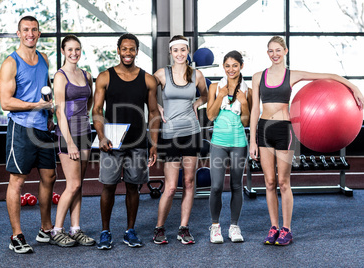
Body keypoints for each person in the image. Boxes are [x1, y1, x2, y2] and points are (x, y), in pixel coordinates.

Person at [249, 36, 364, 246]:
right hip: (265, 130)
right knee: (269, 182)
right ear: (267, 53)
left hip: (284, 129)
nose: (274, 54)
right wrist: (252, 141)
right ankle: (273, 227)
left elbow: (329, 75)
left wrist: (353, 87)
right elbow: (255, 108)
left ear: (285, 52)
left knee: (283, 183)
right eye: (270, 51)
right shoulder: (258, 76)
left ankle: (287, 229)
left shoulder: (292, 75)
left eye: (278, 50)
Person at [92, 33, 160, 249]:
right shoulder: (105, 77)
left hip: (138, 143)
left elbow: (154, 112)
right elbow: (96, 110)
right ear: (118, 50)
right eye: (124, 49)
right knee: (109, 187)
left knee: (133, 188)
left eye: (132, 49)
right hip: (111, 143)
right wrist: (101, 136)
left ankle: (130, 231)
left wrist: (154, 143)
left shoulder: (148, 79)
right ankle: (105, 231)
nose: (128, 53)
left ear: (137, 51)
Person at [0, 15, 56, 254]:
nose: (30, 33)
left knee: (49, 177)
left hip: (43, 128)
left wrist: (50, 115)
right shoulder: (10, 63)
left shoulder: (44, 58)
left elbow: (45, 91)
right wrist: (36, 107)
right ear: (18, 33)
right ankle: (16, 235)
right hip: (21, 129)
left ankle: (45, 228)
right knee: (18, 181)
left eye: (34, 30)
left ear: (39, 33)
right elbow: (5, 102)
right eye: (25, 30)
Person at [152, 35, 208, 245]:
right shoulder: (162, 74)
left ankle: (184, 228)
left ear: (188, 51)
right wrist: (156, 107)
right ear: (170, 52)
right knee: (171, 186)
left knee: (189, 182)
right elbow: (145, 92)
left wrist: (197, 104)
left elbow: (205, 95)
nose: (180, 54)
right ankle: (159, 228)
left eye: (183, 50)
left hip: (191, 132)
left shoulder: (197, 74)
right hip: (170, 133)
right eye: (176, 50)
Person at [49, 35, 95, 247]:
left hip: (85, 132)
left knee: (79, 185)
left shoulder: (86, 75)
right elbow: (59, 113)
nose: (74, 53)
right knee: (73, 183)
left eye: (77, 49)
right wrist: (70, 142)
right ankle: (56, 230)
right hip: (67, 136)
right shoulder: (60, 76)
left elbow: (90, 101)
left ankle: (75, 228)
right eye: (70, 49)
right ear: (63, 51)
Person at [206, 50, 251, 244]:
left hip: (239, 144)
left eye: (235, 65)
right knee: (216, 187)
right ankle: (215, 227)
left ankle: (234, 226)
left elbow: (246, 120)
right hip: (219, 143)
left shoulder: (246, 91)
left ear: (241, 66)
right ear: (223, 67)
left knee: (236, 186)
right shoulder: (215, 87)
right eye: (227, 65)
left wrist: (244, 103)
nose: (231, 69)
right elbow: (210, 116)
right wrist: (220, 96)